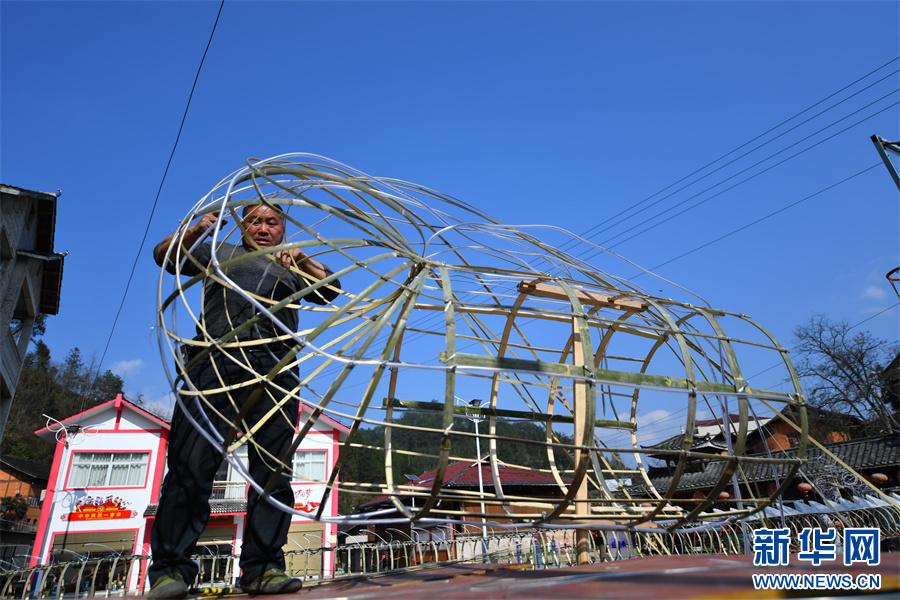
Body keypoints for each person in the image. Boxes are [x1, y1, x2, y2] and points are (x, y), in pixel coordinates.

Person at [148, 204, 340, 599]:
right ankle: (170, 571)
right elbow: (164, 256)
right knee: (190, 464)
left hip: (275, 368)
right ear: (241, 226)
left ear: (283, 229)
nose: (263, 228)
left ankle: (262, 568)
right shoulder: (218, 252)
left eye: (272, 222)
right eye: (254, 220)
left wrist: (300, 258)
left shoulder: (293, 266)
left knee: (272, 472)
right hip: (213, 362)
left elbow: (331, 289)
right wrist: (196, 229)